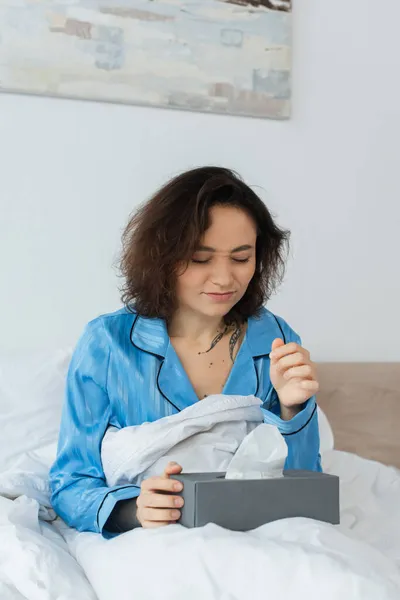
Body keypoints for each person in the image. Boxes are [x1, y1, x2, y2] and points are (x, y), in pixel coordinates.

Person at [49, 166, 321, 538]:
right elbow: (70, 484)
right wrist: (133, 509)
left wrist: (292, 411)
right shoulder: (108, 343)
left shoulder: (275, 338)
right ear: (162, 256)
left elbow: (307, 487)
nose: (225, 278)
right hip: (153, 543)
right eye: (199, 258)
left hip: (260, 537)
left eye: (241, 258)